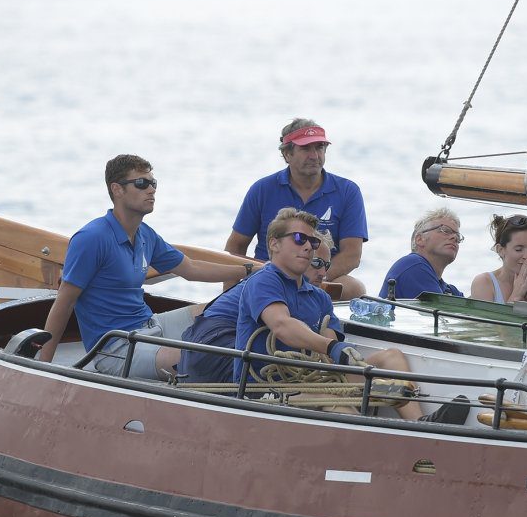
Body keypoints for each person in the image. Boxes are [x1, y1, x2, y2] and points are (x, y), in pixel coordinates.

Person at [38, 154, 254, 379]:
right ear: (117, 189)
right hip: (115, 348)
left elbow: (192, 269)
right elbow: (65, 302)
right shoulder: (91, 238)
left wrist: (250, 271)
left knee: (230, 306)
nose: (151, 190)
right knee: (203, 359)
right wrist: (43, 369)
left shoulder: (145, 234)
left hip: (150, 323)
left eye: (153, 183)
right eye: (141, 183)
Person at [233, 208, 433, 421]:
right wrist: (332, 347)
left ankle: (422, 424)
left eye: (313, 242)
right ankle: (378, 398)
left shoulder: (320, 298)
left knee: (391, 357)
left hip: (313, 381)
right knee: (338, 405)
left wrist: (343, 357)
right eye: (299, 239)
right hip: (265, 388)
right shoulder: (264, 281)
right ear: (274, 244)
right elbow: (282, 325)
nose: (308, 246)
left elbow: (332, 360)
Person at [225, 118, 368, 299]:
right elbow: (236, 245)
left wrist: (313, 277)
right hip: (267, 277)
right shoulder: (262, 189)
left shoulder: (348, 191)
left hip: (320, 279)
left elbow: (352, 255)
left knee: (355, 288)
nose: (314, 155)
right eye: (306, 148)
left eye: (319, 147)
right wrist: (227, 296)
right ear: (287, 154)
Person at [177, 230, 334, 383]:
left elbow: (334, 351)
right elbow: (281, 325)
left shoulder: (321, 299)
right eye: (317, 263)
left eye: (327, 265)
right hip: (213, 338)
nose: (323, 272)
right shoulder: (269, 281)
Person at [380, 207, 464, 299]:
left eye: (458, 236)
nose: (454, 238)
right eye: (445, 230)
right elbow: (439, 311)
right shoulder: (413, 264)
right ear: (420, 239)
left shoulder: (449, 290)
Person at [470, 214, 527, 305]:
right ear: (500, 250)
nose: (526, 256)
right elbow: (487, 319)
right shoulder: (483, 283)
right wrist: (516, 295)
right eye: (518, 249)